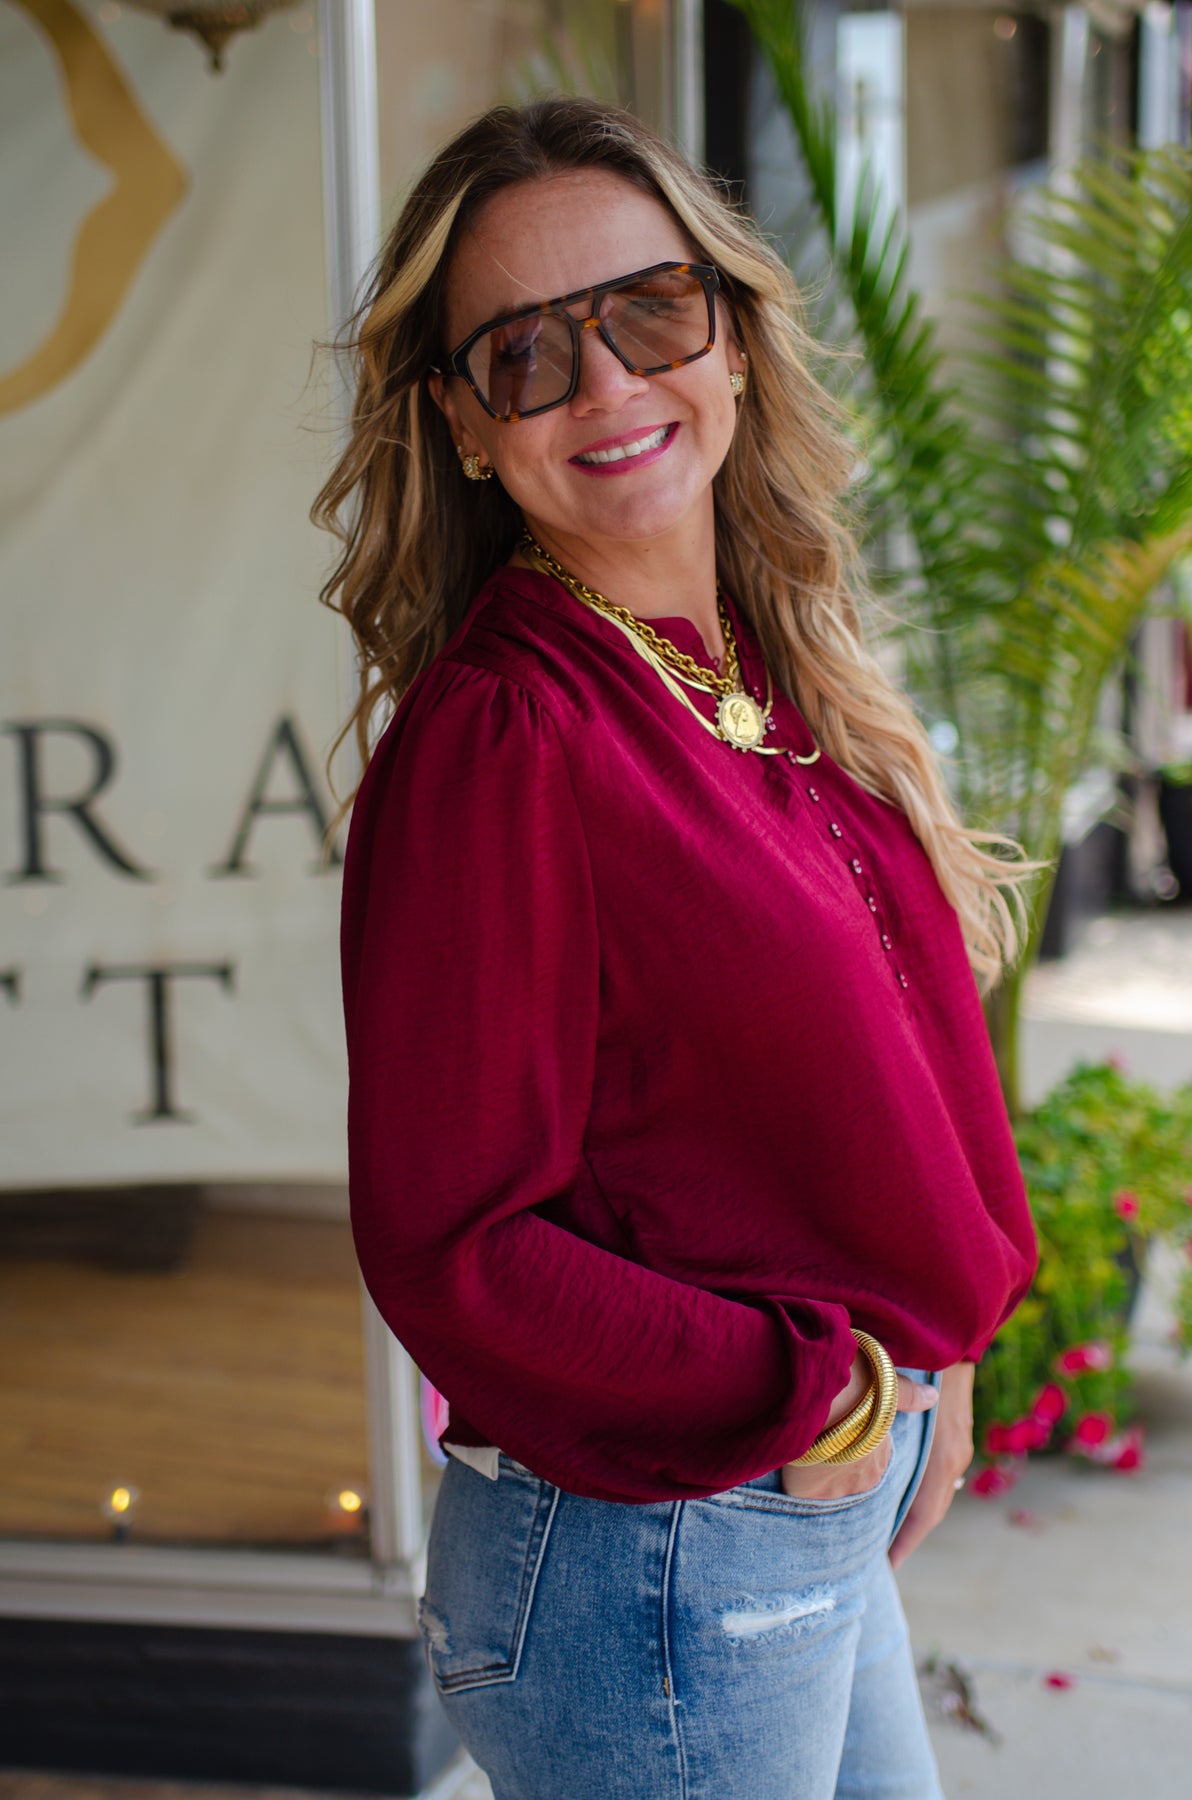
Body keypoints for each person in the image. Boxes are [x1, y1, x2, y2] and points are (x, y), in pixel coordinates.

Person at [316, 96, 1038, 1800]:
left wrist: (928, 1355)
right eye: (524, 352)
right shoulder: (508, 738)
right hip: (654, 1555)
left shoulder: (763, 659)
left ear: (731, 330)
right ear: (462, 421)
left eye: (650, 312)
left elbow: (877, 1082)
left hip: (787, 1505)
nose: (607, 384)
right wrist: (821, 1395)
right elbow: (455, 1241)